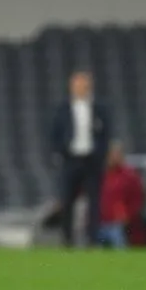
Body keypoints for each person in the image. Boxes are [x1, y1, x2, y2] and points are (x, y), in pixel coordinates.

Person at [51, 71, 110, 247]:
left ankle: (92, 240)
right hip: (71, 160)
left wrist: (101, 154)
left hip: (92, 161)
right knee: (67, 200)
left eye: (84, 85)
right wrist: (61, 152)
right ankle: (67, 239)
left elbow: (106, 134)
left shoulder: (99, 108)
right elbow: (55, 134)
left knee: (94, 202)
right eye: (78, 85)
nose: (81, 88)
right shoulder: (62, 108)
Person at [98, 142, 145, 249]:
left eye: (117, 154)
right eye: (112, 155)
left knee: (120, 249)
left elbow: (138, 198)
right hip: (100, 222)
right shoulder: (98, 175)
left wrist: (128, 214)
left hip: (118, 223)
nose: (114, 158)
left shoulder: (129, 176)